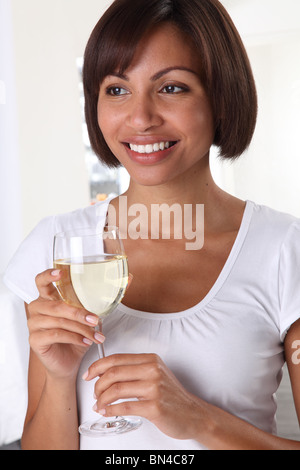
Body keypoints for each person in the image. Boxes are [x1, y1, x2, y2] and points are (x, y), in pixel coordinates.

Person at [3, 0, 300, 450]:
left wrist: (202, 422)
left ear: (221, 97)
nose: (140, 118)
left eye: (173, 88)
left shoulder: (284, 251)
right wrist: (60, 377)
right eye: (117, 90)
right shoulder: (56, 248)